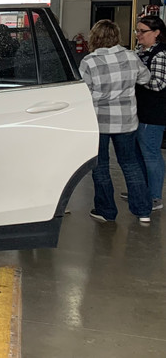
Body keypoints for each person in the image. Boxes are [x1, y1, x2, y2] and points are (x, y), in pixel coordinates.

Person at [79, 19, 153, 224]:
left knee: (100, 166)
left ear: (95, 37)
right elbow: (145, 79)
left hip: (98, 121)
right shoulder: (131, 57)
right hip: (126, 121)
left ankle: (106, 211)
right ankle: (143, 211)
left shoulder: (89, 61)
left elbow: (84, 93)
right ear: (116, 36)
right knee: (130, 164)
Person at [131, 15, 166, 211]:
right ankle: (142, 190)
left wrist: (136, 78)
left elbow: (158, 84)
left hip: (153, 113)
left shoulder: (160, 54)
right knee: (139, 154)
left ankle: (154, 196)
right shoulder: (139, 52)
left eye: (142, 31)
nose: (138, 35)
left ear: (156, 33)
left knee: (151, 154)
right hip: (139, 111)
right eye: (137, 31)